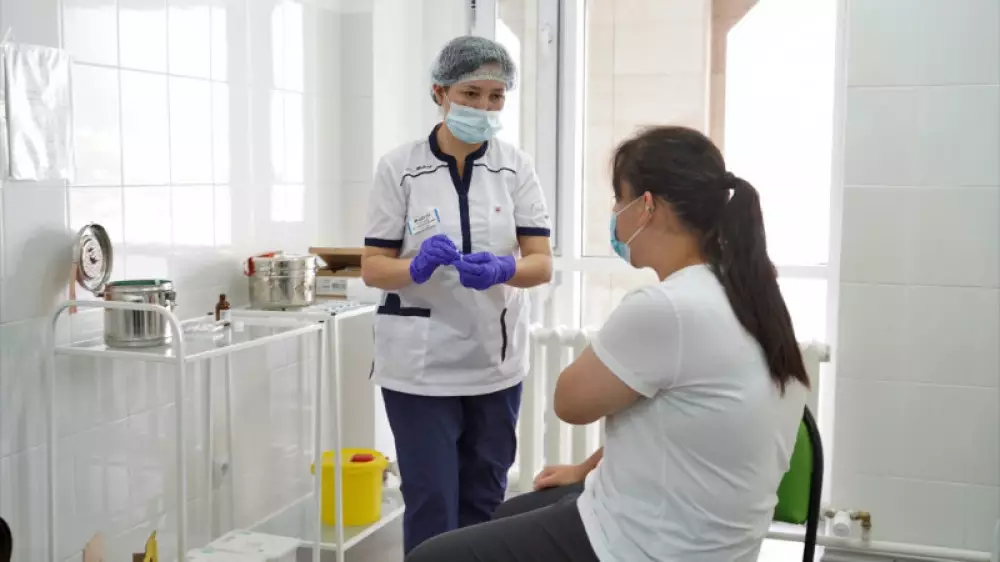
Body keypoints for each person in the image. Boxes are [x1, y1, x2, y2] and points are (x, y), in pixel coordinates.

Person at [405, 125, 810, 562]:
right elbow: (688, 425)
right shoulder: (749, 293)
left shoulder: (668, 307)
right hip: (713, 538)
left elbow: (569, 404)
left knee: (433, 557)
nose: (615, 213)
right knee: (505, 514)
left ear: (647, 207)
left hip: (643, 546)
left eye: (620, 199)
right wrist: (584, 470)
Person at [361, 35, 553, 554]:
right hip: (419, 369)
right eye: (471, 93)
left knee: (485, 499)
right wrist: (415, 266)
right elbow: (374, 268)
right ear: (439, 92)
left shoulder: (515, 167)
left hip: (495, 361)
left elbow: (540, 263)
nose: (484, 107)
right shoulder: (399, 168)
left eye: (496, 96)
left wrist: (504, 268)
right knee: (431, 500)